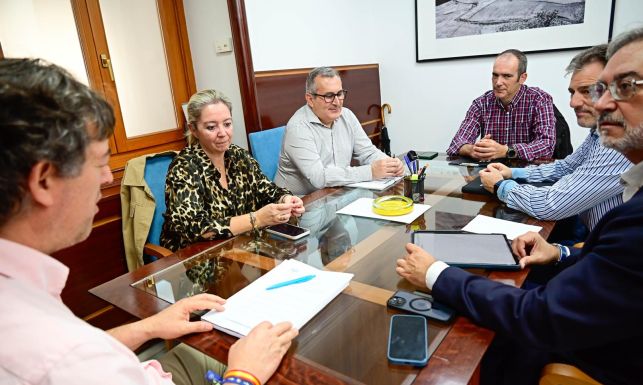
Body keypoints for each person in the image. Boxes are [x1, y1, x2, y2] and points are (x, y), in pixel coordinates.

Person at [0, 58, 298, 385]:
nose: (106, 178)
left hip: (237, 261)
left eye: (227, 124)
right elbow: (192, 228)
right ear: (43, 181)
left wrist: (147, 327)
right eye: (100, 163)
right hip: (199, 267)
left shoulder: (34, 305)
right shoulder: (62, 355)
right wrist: (244, 375)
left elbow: (266, 188)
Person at [397, 28, 643, 385]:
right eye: (588, 90)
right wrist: (560, 252)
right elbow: (563, 168)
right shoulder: (484, 103)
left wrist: (436, 274)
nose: (591, 102)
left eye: (624, 87)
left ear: (522, 77)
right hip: (585, 263)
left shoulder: (550, 107)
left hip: (599, 351)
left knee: (489, 321)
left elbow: (552, 184)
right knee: (510, 273)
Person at [479, 45, 632, 238]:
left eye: (587, 91)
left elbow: (551, 204)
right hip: (586, 227)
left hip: (602, 244)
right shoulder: (600, 131)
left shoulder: (621, 142)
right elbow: (566, 167)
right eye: (572, 92)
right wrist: (513, 172)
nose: (573, 102)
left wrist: (500, 185)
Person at [160, 89, 305, 251]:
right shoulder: (184, 167)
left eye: (227, 124)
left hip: (239, 249)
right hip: (197, 258)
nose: (223, 133)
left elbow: (267, 190)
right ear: (193, 129)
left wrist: (286, 199)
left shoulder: (238, 156)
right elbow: (197, 229)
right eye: (211, 127)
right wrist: (256, 219)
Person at [274, 66, 404, 195]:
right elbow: (319, 178)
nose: (337, 102)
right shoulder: (298, 128)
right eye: (329, 96)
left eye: (339, 94)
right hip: (297, 205)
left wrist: (390, 165)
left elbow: (367, 152)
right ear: (310, 99)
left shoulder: (346, 115)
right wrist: (370, 172)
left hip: (335, 195)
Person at [446, 49, 556, 161]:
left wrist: (506, 151)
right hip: (491, 174)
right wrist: (474, 150)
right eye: (495, 75)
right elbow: (456, 144)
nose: (498, 82)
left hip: (526, 174)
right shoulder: (481, 103)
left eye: (507, 76)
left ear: (522, 78)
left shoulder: (539, 100)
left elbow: (547, 145)